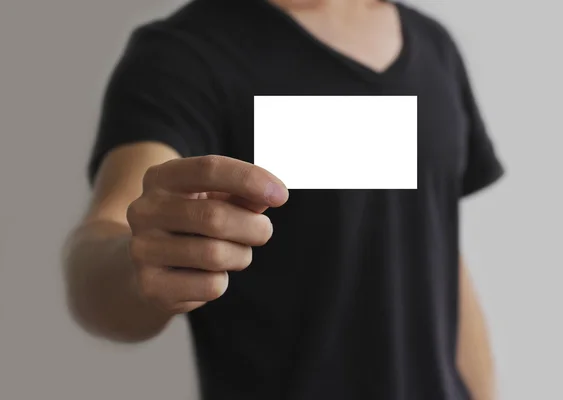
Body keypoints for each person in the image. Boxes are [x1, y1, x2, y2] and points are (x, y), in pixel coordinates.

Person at [62, 0, 505, 399]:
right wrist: (141, 262)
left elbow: (441, 252)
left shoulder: (434, 46)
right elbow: (107, 240)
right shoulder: (183, 56)